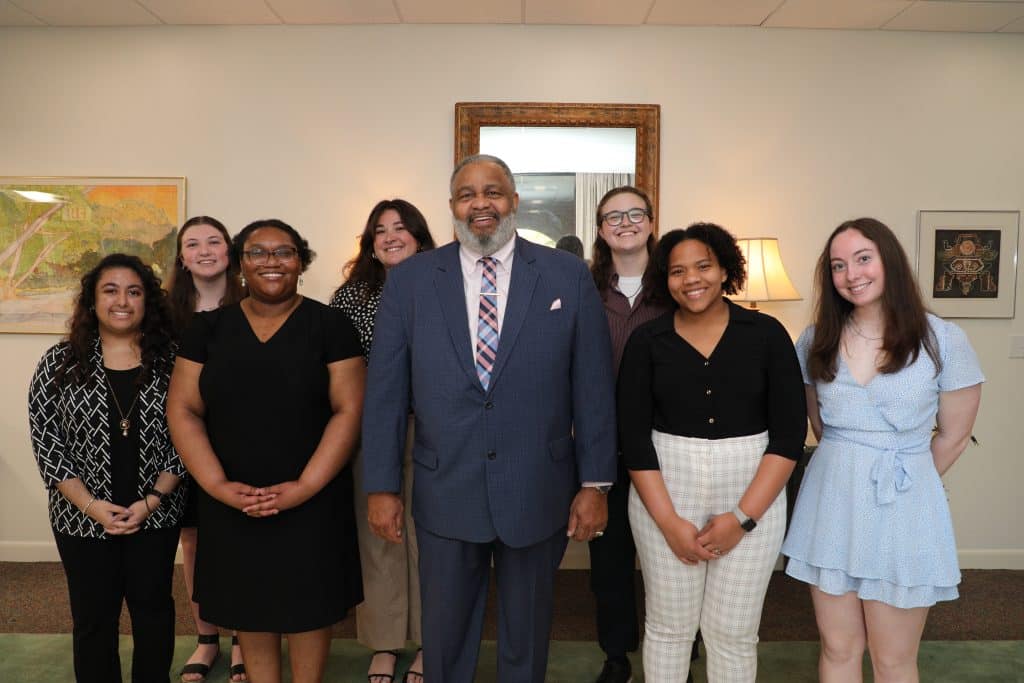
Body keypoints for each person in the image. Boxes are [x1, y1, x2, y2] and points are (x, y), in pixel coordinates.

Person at [361, 154, 617, 683]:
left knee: (526, 635)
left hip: (537, 485)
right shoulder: (409, 282)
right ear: (452, 207)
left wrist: (596, 483)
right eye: (467, 195)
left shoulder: (566, 275)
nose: (481, 204)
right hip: (444, 484)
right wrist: (381, 486)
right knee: (446, 633)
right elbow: (385, 394)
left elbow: (592, 387)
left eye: (493, 192)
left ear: (514, 201)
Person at [782, 217, 984, 682]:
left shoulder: (943, 339)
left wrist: (907, 482)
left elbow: (953, 435)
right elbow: (818, 422)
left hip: (904, 506)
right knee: (838, 648)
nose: (851, 274)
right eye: (838, 265)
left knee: (893, 658)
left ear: (888, 260)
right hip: (831, 501)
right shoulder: (816, 340)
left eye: (862, 258)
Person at [167, 219, 366, 683]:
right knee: (248, 602)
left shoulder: (331, 325)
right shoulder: (207, 329)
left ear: (301, 261)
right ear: (240, 263)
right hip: (232, 493)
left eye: (285, 252)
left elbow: (349, 411)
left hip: (313, 492)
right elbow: (183, 409)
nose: (272, 262)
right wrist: (217, 485)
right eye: (258, 252)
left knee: (309, 605)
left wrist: (305, 486)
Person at [618, 224, 807, 682]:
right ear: (665, 280)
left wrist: (742, 518)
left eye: (703, 266)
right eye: (678, 271)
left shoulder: (767, 334)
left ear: (725, 269)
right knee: (668, 628)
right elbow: (634, 440)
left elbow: (787, 436)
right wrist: (669, 524)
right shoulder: (647, 341)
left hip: (752, 491)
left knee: (733, 632)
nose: (691, 279)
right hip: (664, 491)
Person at [28, 253, 185, 683]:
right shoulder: (58, 363)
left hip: (155, 514)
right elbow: (48, 444)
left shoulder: (175, 362)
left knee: (153, 612)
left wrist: (152, 501)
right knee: (93, 618)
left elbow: (188, 438)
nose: (122, 300)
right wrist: (92, 505)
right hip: (80, 518)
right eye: (110, 290)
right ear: (92, 301)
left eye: (133, 291)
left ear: (147, 301)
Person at [329, 199, 436, 683]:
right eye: (380, 230)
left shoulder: (446, 284)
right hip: (372, 428)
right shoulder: (351, 296)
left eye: (400, 228)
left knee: (433, 539)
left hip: (439, 429)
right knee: (380, 536)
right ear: (370, 242)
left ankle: (433, 643)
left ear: (419, 234)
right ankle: (386, 643)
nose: (391, 236)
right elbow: (334, 368)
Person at [586, 186, 672, 683]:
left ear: (651, 222)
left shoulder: (678, 285)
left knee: (670, 554)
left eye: (634, 213)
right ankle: (616, 654)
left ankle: (682, 641)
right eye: (612, 216)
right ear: (600, 230)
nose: (624, 222)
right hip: (605, 446)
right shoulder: (584, 289)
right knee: (611, 561)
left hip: (669, 446)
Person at [167, 216, 247, 683]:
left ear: (229, 251)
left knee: (238, 536)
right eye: (192, 244)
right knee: (193, 539)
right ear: (181, 257)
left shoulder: (254, 302)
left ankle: (244, 641)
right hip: (181, 441)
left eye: (214, 241)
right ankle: (207, 639)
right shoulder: (165, 312)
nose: (204, 250)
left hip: (239, 439)